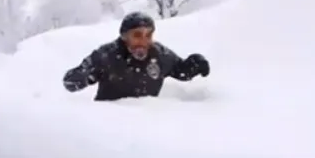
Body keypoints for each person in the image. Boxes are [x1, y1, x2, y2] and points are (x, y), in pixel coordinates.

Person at [62, 11, 210, 101]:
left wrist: (194, 65)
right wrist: (83, 77)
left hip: (145, 125)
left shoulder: (160, 55)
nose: (144, 41)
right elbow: (70, 82)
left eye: (148, 35)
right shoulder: (106, 55)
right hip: (108, 126)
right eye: (137, 35)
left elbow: (180, 70)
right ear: (124, 36)